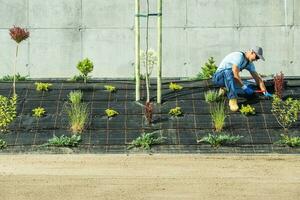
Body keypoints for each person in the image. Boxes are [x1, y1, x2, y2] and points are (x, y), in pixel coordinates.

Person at [212, 46, 272, 112]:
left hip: (230, 80)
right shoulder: (239, 56)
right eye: (257, 57)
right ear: (252, 52)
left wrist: (265, 91)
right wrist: (244, 87)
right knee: (229, 72)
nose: (256, 60)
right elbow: (235, 73)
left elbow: (257, 78)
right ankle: (232, 100)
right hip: (218, 78)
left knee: (250, 85)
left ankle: (226, 89)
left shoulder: (249, 64)